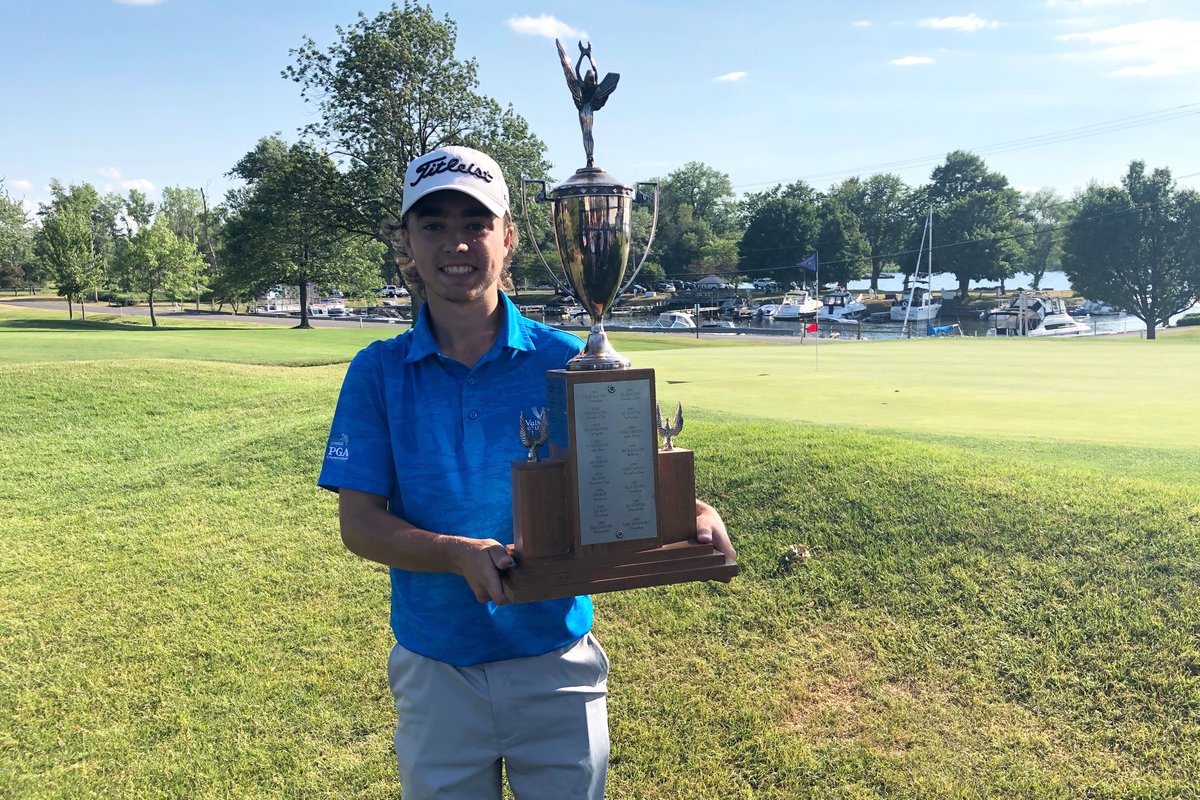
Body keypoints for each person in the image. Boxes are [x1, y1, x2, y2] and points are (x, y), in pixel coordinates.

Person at [318, 145, 735, 799]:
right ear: (408, 242)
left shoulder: (572, 360)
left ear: (507, 237)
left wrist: (688, 515)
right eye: (434, 225)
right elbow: (360, 524)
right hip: (437, 669)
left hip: (554, 665)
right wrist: (457, 554)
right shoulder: (377, 371)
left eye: (475, 224)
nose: (457, 244)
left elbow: (620, 485)